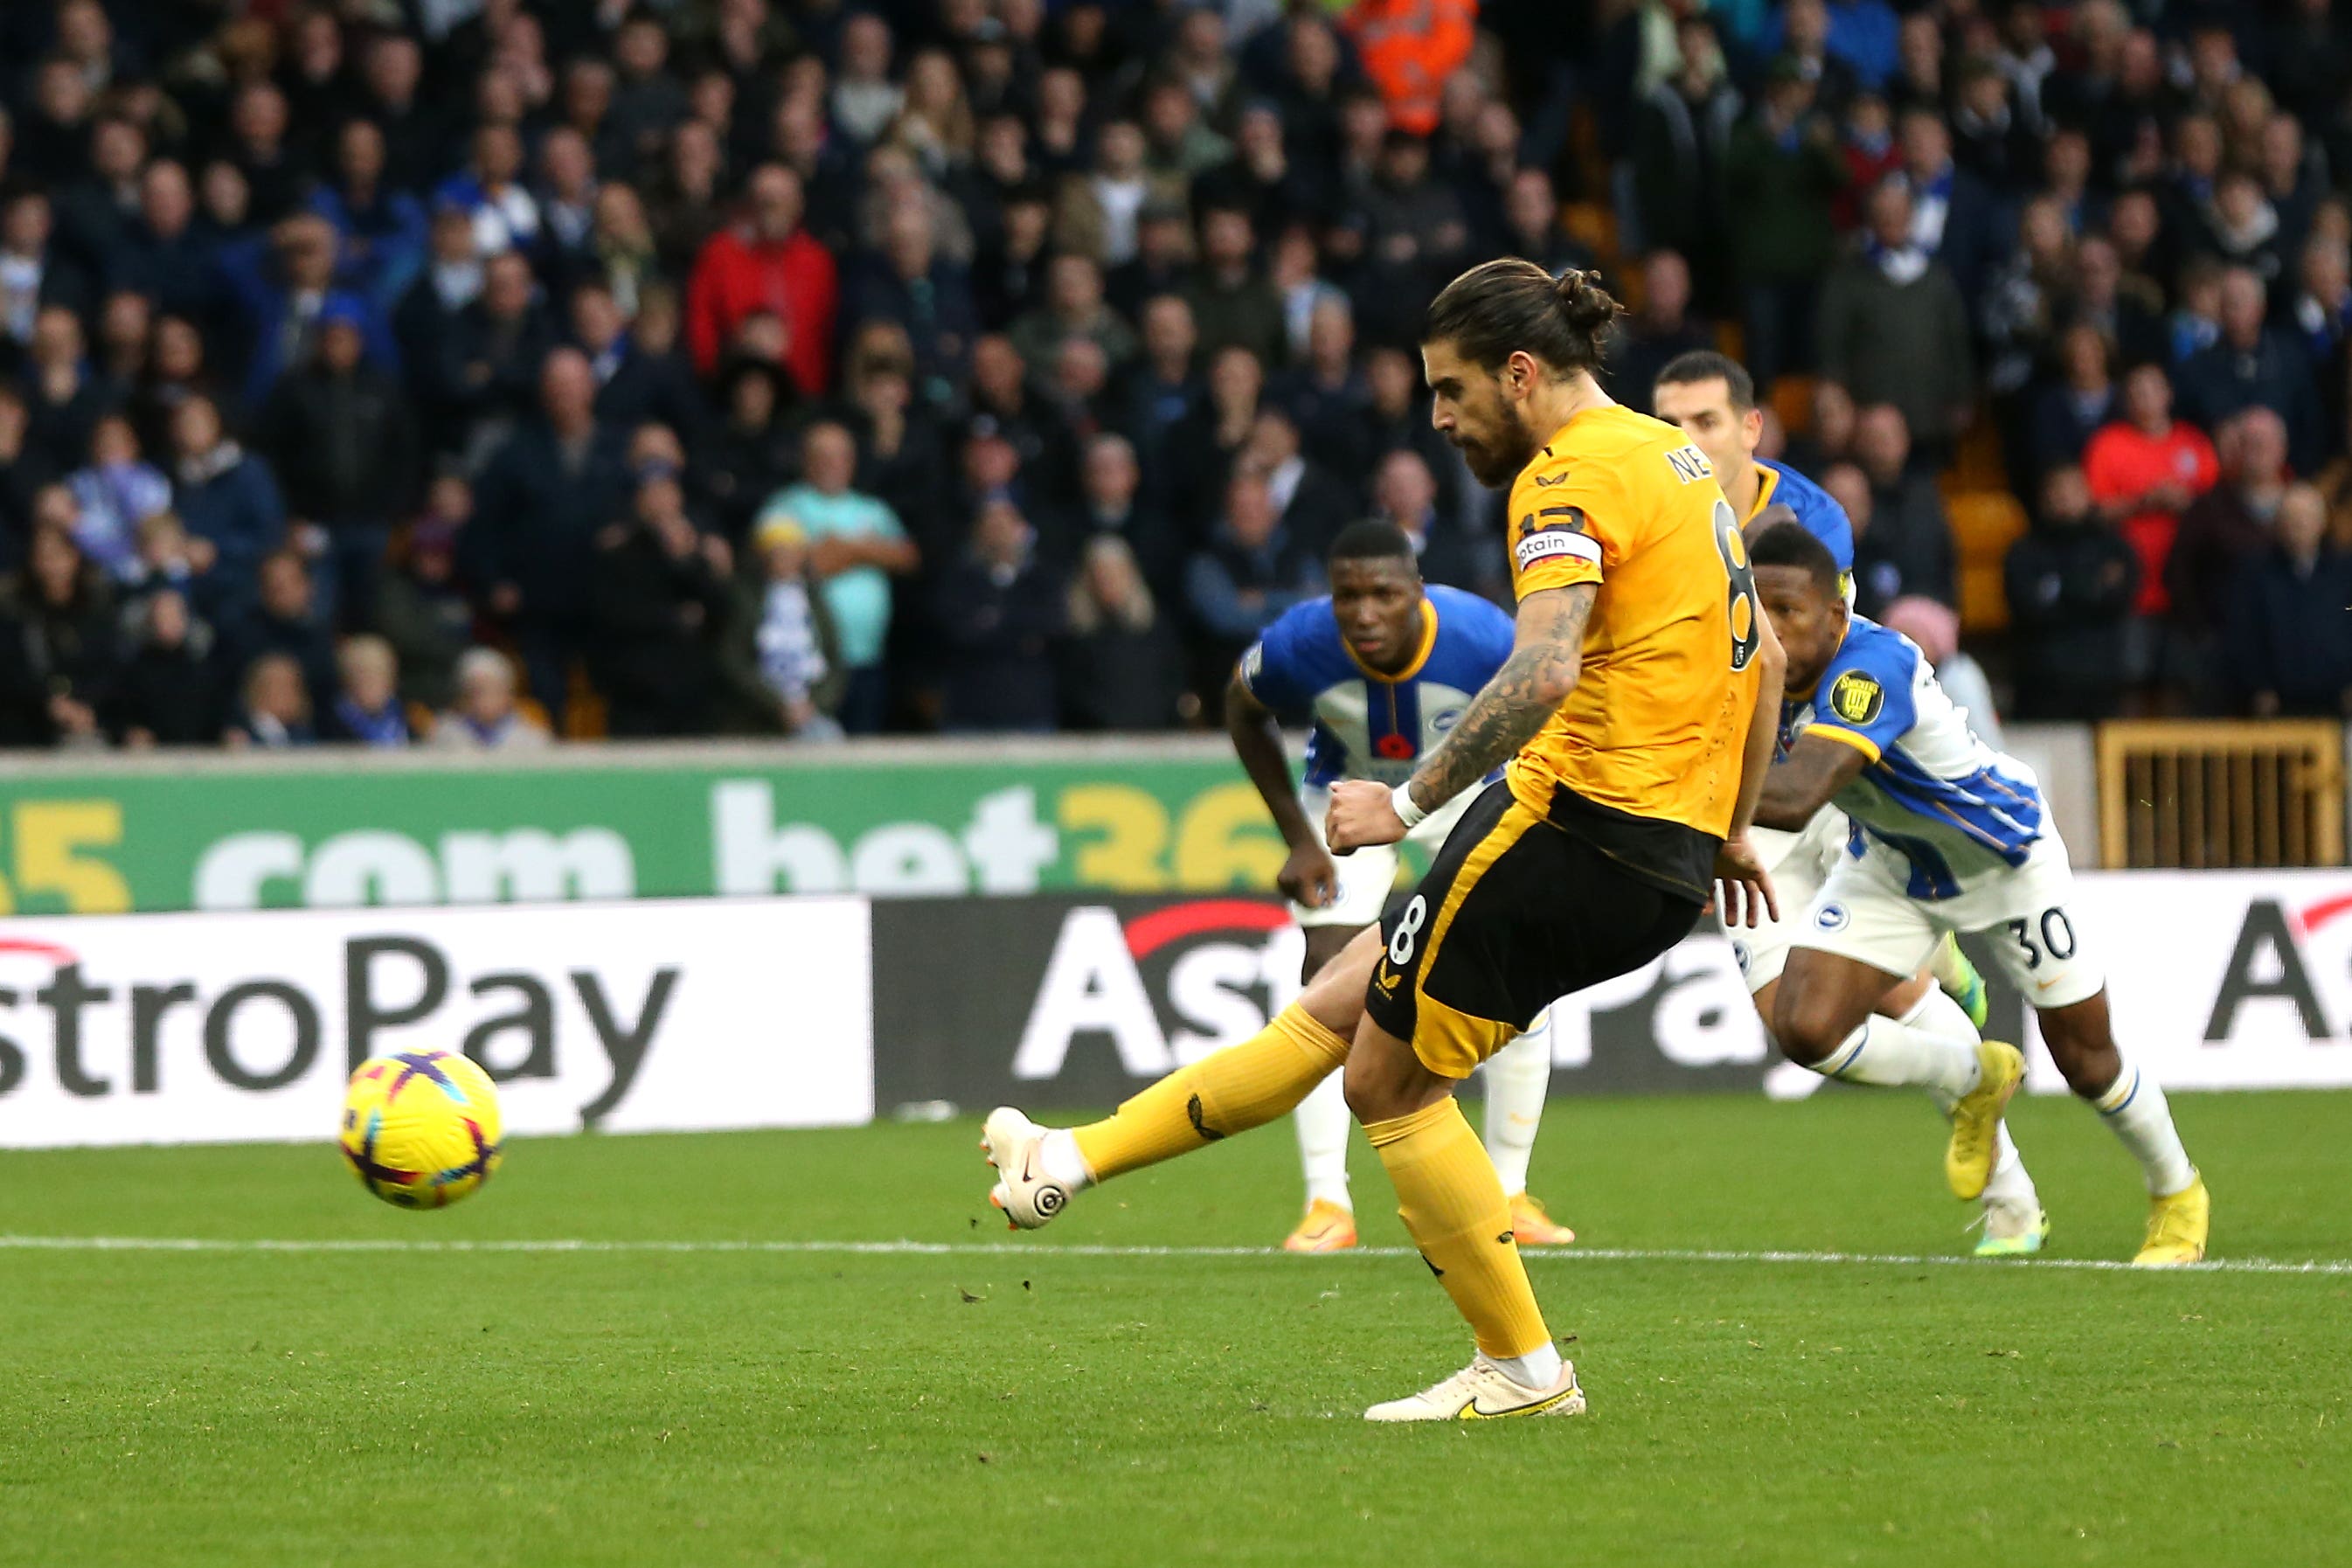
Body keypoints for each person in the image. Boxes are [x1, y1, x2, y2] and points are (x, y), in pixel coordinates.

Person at [981, 262, 1785, 1423]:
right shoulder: (1676, 461)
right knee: (1338, 1003)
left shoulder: (1564, 479)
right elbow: (1753, 663)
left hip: (1582, 823)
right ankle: (1072, 1158)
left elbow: (1546, 665)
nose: (1439, 419)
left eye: (1451, 391)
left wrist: (1401, 805)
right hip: (1645, 830)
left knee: (1386, 1076)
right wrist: (1728, 821)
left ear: (1519, 373)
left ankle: (1519, 1367)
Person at [1746, 521, 2208, 1267]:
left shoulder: (1872, 666)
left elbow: (1798, 795)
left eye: (1787, 611)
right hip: (1893, 868)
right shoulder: (1751, 668)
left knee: (2086, 1061)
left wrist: (1672, 801)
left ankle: (2176, 1191)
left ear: (1834, 615)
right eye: (1755, 609)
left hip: (2004, 861)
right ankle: (1973, 1075)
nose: (1769, 628)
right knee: (1804, 1028)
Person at [1224, 518, 1574, 1253]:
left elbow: (1550, 709)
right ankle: (1327, 1204)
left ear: (1418, 591)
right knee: (1323, 978)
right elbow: (1240, 705)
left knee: (1518, 976)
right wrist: (1295, 834)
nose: (1364, 613)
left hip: (1465, 796)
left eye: (1383, 594)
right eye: (1348, 596)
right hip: (1349, 801)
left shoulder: (1481, 636)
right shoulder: (1298, 642)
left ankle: (1507, 1192)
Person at [754, 421, 919, 733]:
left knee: (864, 758)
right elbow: (790, 565)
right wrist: (868, 549)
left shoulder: (872, 508)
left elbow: (907, 556)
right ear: (806, 460)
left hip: (867, 658)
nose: (833, 464)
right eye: (823, 456)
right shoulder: (786, 506)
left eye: (841, 456)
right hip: (810, 665)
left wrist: (847, 549)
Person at [2223, 482, 2352, 717]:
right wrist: (2258, 685)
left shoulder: (2345, 573)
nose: (2299, 525)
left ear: (2323, 522)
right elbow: (2244, 634)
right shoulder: (2254, 574)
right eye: (2291, 518)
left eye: (2306, 517)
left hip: (2338, 703)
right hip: (2277, 706)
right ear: (2278, 524)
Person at [427, 648, 552, 751]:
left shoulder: (533, 738)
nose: (483, 699)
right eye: (475, 691)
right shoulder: (444, 733)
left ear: (508, 695)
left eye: (491, 689)